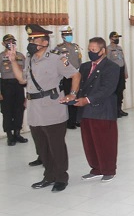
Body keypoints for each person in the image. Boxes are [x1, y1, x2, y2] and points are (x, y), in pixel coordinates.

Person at [8, 24, 81, 193]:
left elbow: (75, 74)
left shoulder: (56, 58)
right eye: (30, 40)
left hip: (52, 107)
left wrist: (72, 94)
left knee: (56, 145)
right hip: (35, 109)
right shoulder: (30, 58)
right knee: (42, 146)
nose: (31, 43)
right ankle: (49, 176)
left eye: (34, 40)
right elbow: (22, 80)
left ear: (45, 42)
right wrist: (12, 62)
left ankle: (61, 177)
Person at [74, 37, 120, 183]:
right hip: (86, 111)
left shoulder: (112, 67)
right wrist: (73, 97)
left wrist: (87, 100)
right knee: (89, 142)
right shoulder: (85, 66)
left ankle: (108, 169)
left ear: (102, 51)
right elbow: (80, 86)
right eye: (89, 49)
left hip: (103, 111)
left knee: (105, 142)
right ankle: (96, 168)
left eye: (93, 50)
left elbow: (106, 89)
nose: (90, 52)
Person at [0, 34, 27, 146]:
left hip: (19, 86)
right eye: (8, 41)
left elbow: (26, 73)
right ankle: (9, 136)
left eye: (12, 41)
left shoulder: (20, 56)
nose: (11, 43)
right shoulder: (1, 56)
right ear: (3, 43)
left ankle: (17, 133)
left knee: (19, 110)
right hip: (6, 86)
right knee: (7, 111)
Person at [57, 26, 82, 129]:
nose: (69, 36)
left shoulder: (76, 47)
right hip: (66, 77)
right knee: (68, 97)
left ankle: (77, 119)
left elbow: (79, 61)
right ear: (62, 36)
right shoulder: (58, 49)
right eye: (67, 34)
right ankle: (69, 122)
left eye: (70, 34)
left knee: (77, 97)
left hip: (76, 74)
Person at [107, 31, 128, 117]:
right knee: (114, 93)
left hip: (121, 72)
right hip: (114, 73)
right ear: (111, 39)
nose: (117, 39)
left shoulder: (119, 48)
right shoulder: (108, 49)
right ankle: (114, 111)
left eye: (118, 38)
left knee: (120, 91)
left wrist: (125, 72)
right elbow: (107, 63)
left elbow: (123, 61)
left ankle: (119, 109)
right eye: (115, 38)